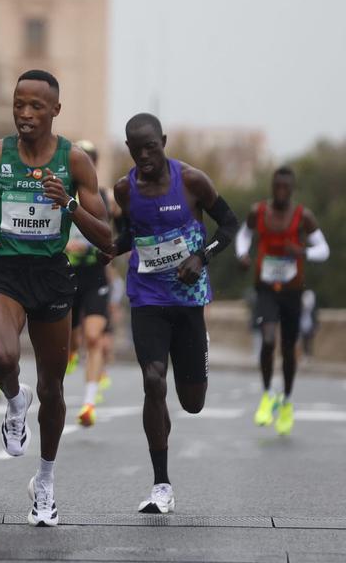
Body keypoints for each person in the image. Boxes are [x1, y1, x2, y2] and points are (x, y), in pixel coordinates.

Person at [0, 70, 112, 527]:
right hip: (5, 271)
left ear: (55, 111)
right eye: (19, 105)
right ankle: (14, 399)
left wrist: (68, 203)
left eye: (36, 107)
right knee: (3, 357)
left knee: (53, 387)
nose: (25, 114)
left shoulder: (76, 163)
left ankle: (44, 483)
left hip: (50, 275)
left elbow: (107, 237)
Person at [113, 113, 240, 514]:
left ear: (163, 141)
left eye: (152, 146)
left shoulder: (192, 181)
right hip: (147, 299)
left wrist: (202, 256)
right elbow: (122, 239)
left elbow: (231, 225)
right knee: (153, 382)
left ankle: (184, 372)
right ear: (129, 149)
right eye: (137, 148)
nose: (145, 155)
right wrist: (89, 245)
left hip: (187, 303)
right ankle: (161, 485)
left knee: (192, 403)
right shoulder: (124, 191)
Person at [235, 166, 330, 435]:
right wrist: (242, 255)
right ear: (272, 186)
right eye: (276, 186)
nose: (280, 191)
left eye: (285, 187)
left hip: (292, 291)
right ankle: (267, 395)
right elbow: (244, 235)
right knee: (267, 339)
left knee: (289, 349)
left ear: (292, 188)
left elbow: (324, 249)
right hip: (265, 288)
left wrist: (302, 252)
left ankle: (286, 400)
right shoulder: (259, 212)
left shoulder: (303, 217)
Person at [65, 140, 115, 428]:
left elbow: (120, 227)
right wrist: (65, 246)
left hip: (95, 274)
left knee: (94, 337)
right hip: (68, 275)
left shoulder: (105, 197)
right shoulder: (59, 193)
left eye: (92, 158)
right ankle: (72, 351)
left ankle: (89, 403)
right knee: (73, 340)